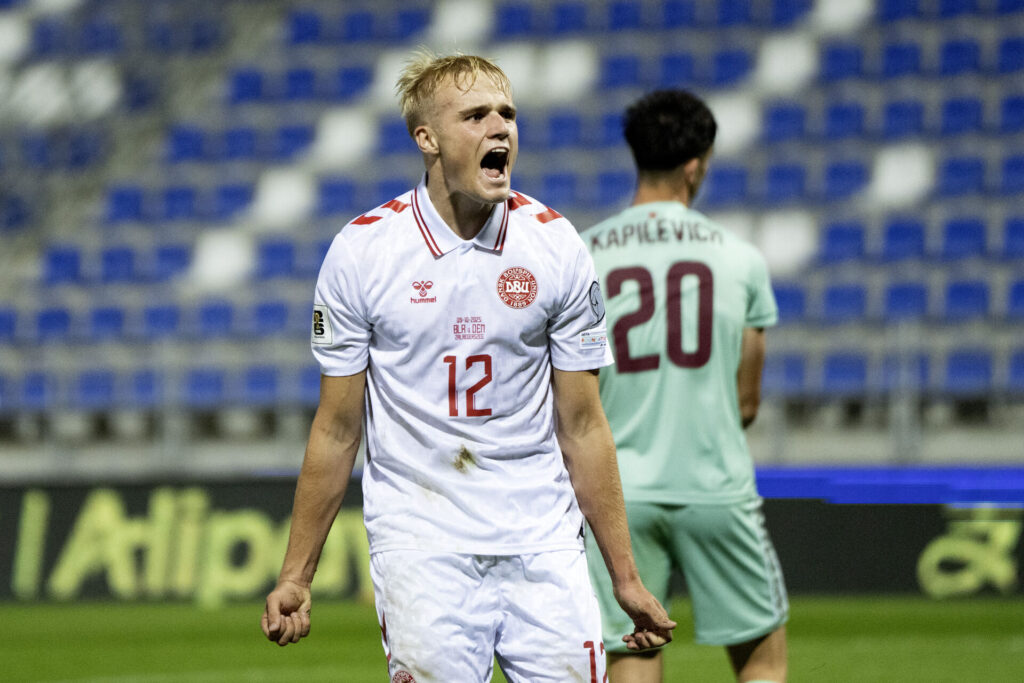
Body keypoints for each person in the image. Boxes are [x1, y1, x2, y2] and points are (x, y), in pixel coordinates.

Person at [260, 51, 675, 682]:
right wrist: (296, 574)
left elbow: (584, 425)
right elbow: (338, 429)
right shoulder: (363, 251)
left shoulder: (556, 245)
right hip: (422, 543)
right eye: (475, 115)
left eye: (507, 114)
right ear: (426, 138)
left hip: (543, 540)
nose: (500, 128)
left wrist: (624, 574)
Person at [582, 89, 789, 683]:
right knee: (761, 657)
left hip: (617, 491)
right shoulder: (740, 259)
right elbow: (747, 399)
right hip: (713, 482)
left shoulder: (585, 254)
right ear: (696, 164)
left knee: (633, 648)